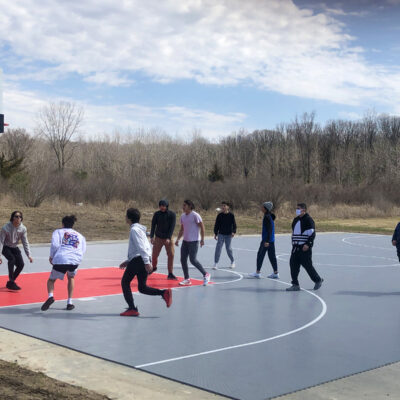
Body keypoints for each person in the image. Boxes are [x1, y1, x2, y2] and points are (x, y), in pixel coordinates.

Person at [119, 208, 172, 317]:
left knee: (125, 282)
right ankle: (164, 293)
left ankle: (132, 309)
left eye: (126, 216)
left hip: (139, 260)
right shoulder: (140, 230)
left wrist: (146, 262)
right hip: (141, 259)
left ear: (129, 218)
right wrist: (129, 261)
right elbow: (143, 247)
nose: (125, 218)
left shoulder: (134, 230)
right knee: (142, 288)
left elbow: (141, 247)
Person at [41, 215, 86, 311]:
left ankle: (50, 296)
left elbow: (55, 244)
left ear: (62, 224)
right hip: (74, 260)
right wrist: (78, 259)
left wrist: (52, 256)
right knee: (71, 277)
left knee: (51, 280)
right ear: (73, 225)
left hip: (61, 258)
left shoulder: (58, 232)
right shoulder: (80, 235)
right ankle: (69, 302)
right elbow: (83, 249)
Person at [286, 203, 324, 291]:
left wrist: (308, 244)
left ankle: (318, 280)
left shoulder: (309, 220)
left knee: (308, 266)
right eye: (296, 208)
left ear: (304, 210)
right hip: (295, 248)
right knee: (293, 265)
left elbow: (312, 234)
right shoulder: (295, 220)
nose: (297, 210)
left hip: (304, 248)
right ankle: (295, 284)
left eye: (298, 208)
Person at [175, 200, 210, 286]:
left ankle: (206, 274)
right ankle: (187, 279)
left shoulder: (195, 215)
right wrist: (178, 239)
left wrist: (202, 239)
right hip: (185, 241)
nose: (183, 207)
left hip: (194, 241)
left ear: (190, 206)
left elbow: (202, 227)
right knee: (183, 260)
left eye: (185, 205)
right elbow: (182, 229)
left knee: (193, 260)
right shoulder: (183, 216)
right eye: (183, 205)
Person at [0, 210, 33, 290]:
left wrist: (29, 255)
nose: (18, 218)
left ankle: (10, 282)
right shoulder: (5, 228)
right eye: (16, 216)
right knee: (12, 259)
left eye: (20, 217)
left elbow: (25, 242)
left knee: (21, 264)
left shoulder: (23, 229)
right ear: (12, 218)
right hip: (6, 247)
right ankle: (11, 281)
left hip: (14, 247)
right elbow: (0, 242)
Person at [249, 201, 279, 279]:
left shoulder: (267, 217)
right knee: (272, 256)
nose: (261, 208)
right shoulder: (269, 216)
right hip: (271, 240)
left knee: (260, 255)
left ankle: (257, 272)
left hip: (267, 240)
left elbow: (269, 229)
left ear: (265, 208)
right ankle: (276, 273)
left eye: (262, 207)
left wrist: (267, 241)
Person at [150, 199, 177, 279]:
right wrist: (152, 236)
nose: (162, 207)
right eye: (160, 206)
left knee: (171, 255)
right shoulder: (156, 214)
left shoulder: (172, 214)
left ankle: (170, 273)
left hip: (169, 238)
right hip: (158, 237)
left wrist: (168, 238)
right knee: (154, 255)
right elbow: (153, 225)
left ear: (167, 206)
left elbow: (172, 227)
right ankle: (154, 267)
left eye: (163, 206)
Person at [213, 201, 236, 269]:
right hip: (221, 234)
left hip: (228, 235)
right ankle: (216, 263)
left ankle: (232, 261)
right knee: (218, 248)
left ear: (228, 207)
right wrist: (215, 233)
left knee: (228, 249)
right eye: (222, 206)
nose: (223, 207)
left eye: (224, 206)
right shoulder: (219, 215)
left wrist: (233, 232)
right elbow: (216, 225)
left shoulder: (231, 215)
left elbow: (234, 225)